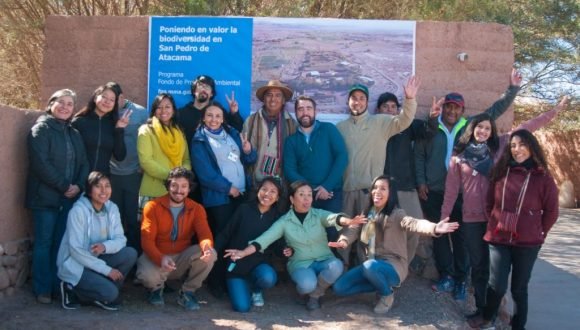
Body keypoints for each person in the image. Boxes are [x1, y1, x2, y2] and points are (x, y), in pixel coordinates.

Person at [441, 96, 568, 318]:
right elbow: (451, 191)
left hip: (495, 220)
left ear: (492, 132)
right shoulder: (458, 158)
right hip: (471, 220)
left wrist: (554, 111)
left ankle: (494, 311)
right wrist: (443, 217)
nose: (482, 131)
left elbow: (528, 128)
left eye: (487, 128)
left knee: (495, 271)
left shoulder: (499, 148)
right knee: (478, 267)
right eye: (479, 127)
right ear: (472, 129)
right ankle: (481, 309)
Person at [415, 69, 522, 300]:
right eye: (448, 107)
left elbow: (495, 110)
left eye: (456, 108)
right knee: (440, 235)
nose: (452, 111)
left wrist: (513, 89)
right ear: (443, 108)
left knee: (462, 238)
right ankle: (446, 276)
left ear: (462, 110)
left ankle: (462, 280)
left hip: (463, 194)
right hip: (435, 191)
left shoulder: (471, 125)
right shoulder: (431, 127)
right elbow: (420, 156)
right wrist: (421, 182)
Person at [224, 180, 366, 311]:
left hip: (324, 259)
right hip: (301, 264)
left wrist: (349, 221)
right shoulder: (283, 221)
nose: (306, 199)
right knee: (307, 284)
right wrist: (243, 252)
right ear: (292, 199)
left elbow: (333, 218)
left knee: (336, 266)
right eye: (302, 195)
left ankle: (315, 295)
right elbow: (263, 240)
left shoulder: (318, 214)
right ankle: (305, 292)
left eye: (309, 195)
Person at [468, 130, 559, 330]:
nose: (517, 149)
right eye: (513, 146)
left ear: (532, 147)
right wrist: (494, 222)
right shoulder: (500, 172)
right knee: (496, 285)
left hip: (528, 243)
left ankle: (518, 325)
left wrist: (538, 231)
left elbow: (552, 211)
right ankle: (487, 317)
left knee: (519, 289)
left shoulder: (543, 177)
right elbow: (489, 202)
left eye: (522, 144)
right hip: (499, 238)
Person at [331, 175, 458, 314]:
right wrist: (343, 241)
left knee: (370, 266)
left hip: (393, 266)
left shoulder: (397, 214)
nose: (377, 192)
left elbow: (414, 223)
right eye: (375, 188)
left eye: (383, 189)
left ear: (390, 193)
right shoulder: (367, 213)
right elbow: (353, 230)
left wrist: (435, 228)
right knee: (339, 287)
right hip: (372, 264)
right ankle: (379, 285)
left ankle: (386, 295)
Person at [336, 76, 420, 267]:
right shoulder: (340, 128)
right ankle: (341, 271)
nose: (357, 102)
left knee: (368, 236)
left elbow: (404, 121)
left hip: (370, 192)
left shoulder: (381, 123)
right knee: (346, 232)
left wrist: (409, 100)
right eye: (354, 98)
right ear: (348, 101)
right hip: (348, 189)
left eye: (362, 98)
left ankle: (367, 273)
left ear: (367, 102)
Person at [26, 89, 89, 304]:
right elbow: (41, 164)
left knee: (61, 244)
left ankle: (57, 286)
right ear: (51, 104)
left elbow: (84, 163)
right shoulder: (40, 129)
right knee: (44, 242)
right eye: (60, 102)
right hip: (44, 198)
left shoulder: (74, 133)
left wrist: (79, 185)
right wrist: (64, 186)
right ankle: (42, 288)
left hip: (68, 198)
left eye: (70, 104)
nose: (65, 107)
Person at [190, 101, 256, 297]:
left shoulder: (232, 134)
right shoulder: (199, 140)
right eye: (210, 115)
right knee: (221, 240)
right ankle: (215, 281)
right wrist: (228, 188)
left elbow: (249, 160)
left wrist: (247, 150)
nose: (214, 119)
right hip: (220, 199)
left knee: (238, 239)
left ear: (223, 118)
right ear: (203, 117)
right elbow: (205, 174)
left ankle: (233, 279)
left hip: (242, 194)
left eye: (218, 116)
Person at [136, 167, 216, 311]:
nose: (179, 190)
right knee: (146, 275)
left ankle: (187, 292)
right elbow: (146, 241)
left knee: (211, 253)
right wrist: (160, 258)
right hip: (157, 256)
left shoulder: (196, 208)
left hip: (181, 258)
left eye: (184, 186)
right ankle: (156, 289)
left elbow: (204, 234)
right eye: (174, 185)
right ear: (168, 186)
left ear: (189, 188)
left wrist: (206, 247)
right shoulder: (152, 206)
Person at [57, 171, 137, 311]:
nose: (103, 191)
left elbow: (121, 239)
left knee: (130, 253)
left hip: (99, 259)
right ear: (89, 189)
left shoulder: (112, 208)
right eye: (98, 186)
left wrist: (105, 247)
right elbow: (75, 251)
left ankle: (103, 292)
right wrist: (107, 270)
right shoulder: (78, 211)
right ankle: (70, 288)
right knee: (111, 294)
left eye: (107, 186)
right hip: (77, 264)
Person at [375, 92, 439, 263]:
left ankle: (404, 264)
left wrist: (432, 117)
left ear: (398, 110)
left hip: (405, 187)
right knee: (379, 231)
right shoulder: (372, 127)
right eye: (385, 107)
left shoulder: (406, 125)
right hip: (380, 189)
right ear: (378, 109)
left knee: (415, 228)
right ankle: (381, 267)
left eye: (393, 107)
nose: (389, 110)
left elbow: (427, 131)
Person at [214, 177, 285, 312]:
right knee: (242, 307)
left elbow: (278, 245)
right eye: (264, 189)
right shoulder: (244, 209)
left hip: (259, 265)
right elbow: (226, 233)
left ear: (277, 197)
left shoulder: (277, 218)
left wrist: (285, 250)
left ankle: (256, 289)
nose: (267, 194)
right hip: (237, 266)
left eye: (273, 192)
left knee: (268, 277)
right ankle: (242, 287)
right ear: (258, 191)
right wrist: (213, 250)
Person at [283, 96, 348, 242]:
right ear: (296, 113)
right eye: (300, 109)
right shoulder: (291, 141)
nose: (305, 112)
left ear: (315, 111)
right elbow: (289, 170)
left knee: (331, 234)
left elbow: (342, 157)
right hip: (305, 196)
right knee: (305, 235)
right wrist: (311, 190)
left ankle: (333, 264)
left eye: (308, 108)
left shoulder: (329, 129)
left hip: (331, 194)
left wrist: (326, 186)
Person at [178, 74, 243, 203]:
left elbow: (236, 131)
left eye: (207, 87)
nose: (203, 89)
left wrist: (234, 113)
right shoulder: (181, 113)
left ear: (212, 93)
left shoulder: (218, 112)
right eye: (200, 86)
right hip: (189, 172)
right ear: (194, 90)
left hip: (214, 174)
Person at [108, 82, 148, 252]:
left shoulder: (140, 112)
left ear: (122, 97)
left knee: (133, 218)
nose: (111, 102)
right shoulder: (105, 112)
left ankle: (134, 257)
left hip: (133, 172)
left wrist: (143, 165)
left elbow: (148, 138)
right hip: (111, 173)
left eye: (115, 99)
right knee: (114, 218)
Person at [137, 93, 191, 214]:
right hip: (154, 191)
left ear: (173, 110)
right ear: (154, 110)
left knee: (175, 231)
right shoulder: (146, 130)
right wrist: (173, 177)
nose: (163, 111)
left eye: (167, 107)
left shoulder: (179, 131)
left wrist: (181, 177)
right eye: (159, 107)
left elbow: (186, 159)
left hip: (178, 193)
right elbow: (146, 161)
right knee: (150, 231)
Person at [243, 80, 297, 185]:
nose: (273, 99)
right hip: (254, 181)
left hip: (280, 183)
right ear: (264, 99)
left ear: (283, 100)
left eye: (278, 95)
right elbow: (242, 151)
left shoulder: (291, 124)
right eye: (269, 95)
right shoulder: (251, 121)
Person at [72, 82, 130, 174]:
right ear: (95, 98)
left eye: (112, 100)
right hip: (77, 180)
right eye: (104, 97)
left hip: (101, 181)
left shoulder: (113, 125)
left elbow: (120, 156)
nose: (107, 101)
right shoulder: (78, 122)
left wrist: (119, 129)